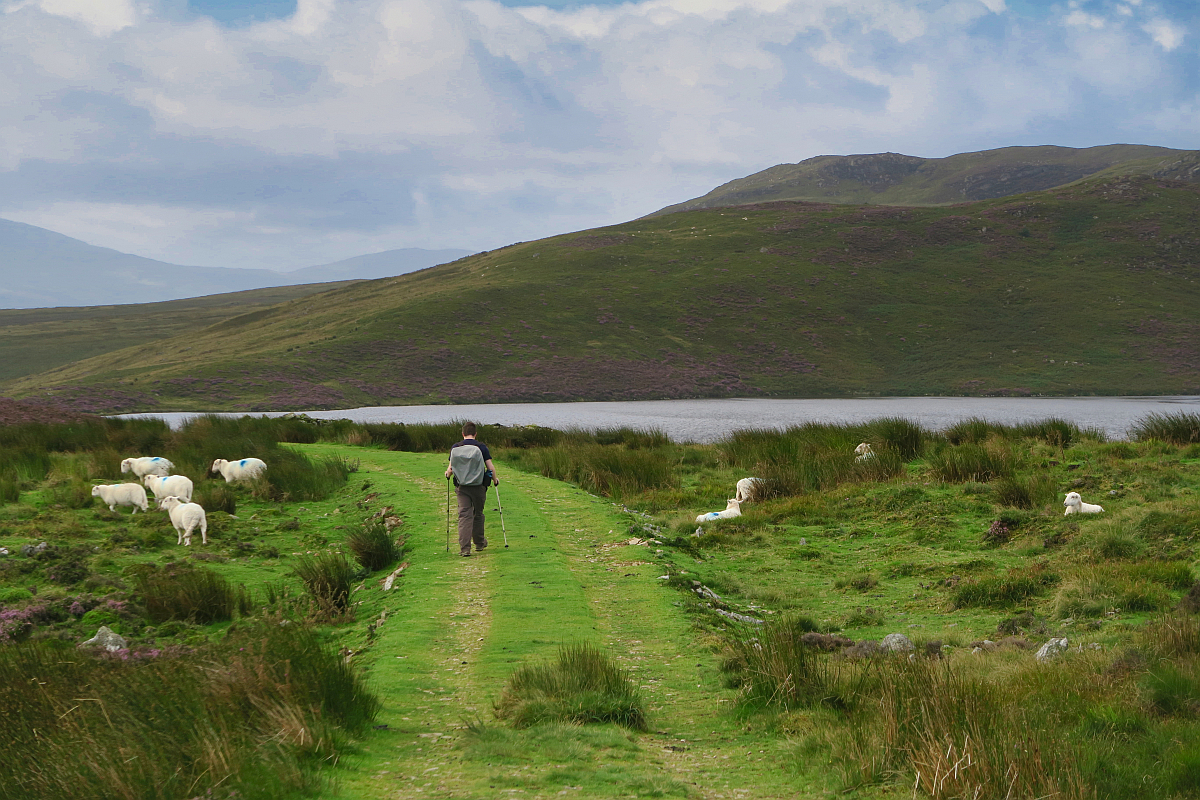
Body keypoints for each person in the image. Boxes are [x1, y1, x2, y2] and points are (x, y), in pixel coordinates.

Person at [444, 422, 499, 557]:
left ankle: (465, 549)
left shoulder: (456, 447)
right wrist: (495, 480)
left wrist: (447, 475)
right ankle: (479, 543)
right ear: (475, 434)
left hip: (462, 486)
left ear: (462, 434)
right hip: (479, 486)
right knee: (478, 514)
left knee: (464, 515)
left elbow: (450, 469)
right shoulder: (481, 447)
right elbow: (490, 467)